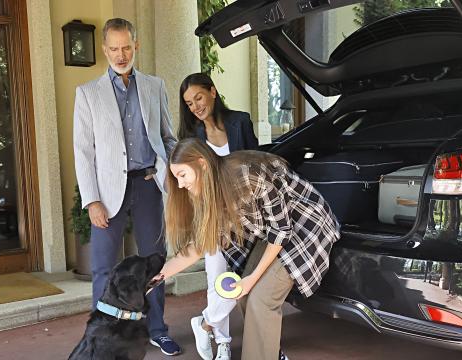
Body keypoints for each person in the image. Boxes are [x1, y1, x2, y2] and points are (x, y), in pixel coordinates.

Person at [156, 138, 340, 360]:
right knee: (242, 291)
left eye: (182, 175)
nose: (179, 184)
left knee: (261, 297)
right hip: (273, 233)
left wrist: (252, 279)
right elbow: (198, 247)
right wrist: (158, 276)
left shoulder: (246, 176)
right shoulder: (207, 193)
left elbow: (281, 230)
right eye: (176, 177)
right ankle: (269, 353)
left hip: (305, 225)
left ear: (202, 163)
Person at [73, 18, 180, 356]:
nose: (121, 55)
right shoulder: (88, 93)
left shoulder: (154, 86)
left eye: (126, 47)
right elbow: (83, 151)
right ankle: (101, 334)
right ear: (105, 50)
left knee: (155, 265)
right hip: (106, 193)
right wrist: (91, 200)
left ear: (137, 46)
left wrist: (168, 174)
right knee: (103, 267)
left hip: (148, 186)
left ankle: (156, 329)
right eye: (114, 49)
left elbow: (168, 137)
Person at [178, 72, 258, 360]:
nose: (195, 106)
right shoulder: (193, 137)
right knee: (217, 277)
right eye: (189, 103)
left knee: (239, 277)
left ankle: (204, 323)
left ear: (213, 91)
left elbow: (255, 163)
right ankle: (222, 342)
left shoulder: (240, 122)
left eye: (198, 97)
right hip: (211, 215)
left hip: (245, 215)